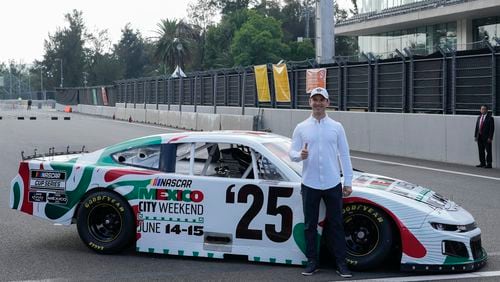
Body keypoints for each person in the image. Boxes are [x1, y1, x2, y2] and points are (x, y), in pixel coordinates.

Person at [289, 87, 353, 278]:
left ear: (327, 102)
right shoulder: (301, 127)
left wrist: (347, 181)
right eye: (314, 99)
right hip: (310, 183)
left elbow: (344, 154)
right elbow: (292, 154)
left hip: (333, 183)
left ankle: (341, 263)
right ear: (309, 102)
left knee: (336, 224)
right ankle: (312, 262)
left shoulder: (337, 127)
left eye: (321, 99)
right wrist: (300, 155)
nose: (317, 103)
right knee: (310, 225)